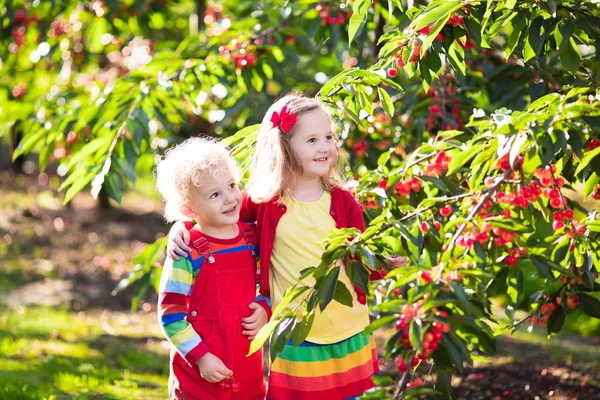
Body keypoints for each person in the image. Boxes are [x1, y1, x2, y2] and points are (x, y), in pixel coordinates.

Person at [168, 93, 406, 399]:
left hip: (346, 323)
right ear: (284, 148)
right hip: (296, 328)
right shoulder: (266, 202)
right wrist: (181, 226)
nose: (325, 147)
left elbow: (358, 259)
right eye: (312, 140)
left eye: (329, 137)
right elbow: (213, 217)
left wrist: (384, 263)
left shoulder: (342, 200)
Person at [155, 137, 271, 400]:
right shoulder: (188, 250)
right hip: (201, 368)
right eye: (215, 194)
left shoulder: (251, 238)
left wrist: (264, 308)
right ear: (188, 208)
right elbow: (171, 315)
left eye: (231, 185)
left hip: (246, 359)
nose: (230, 198)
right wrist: (201, 357)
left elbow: (268, 282)